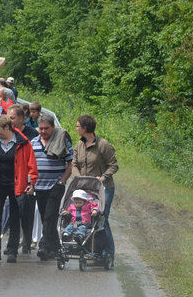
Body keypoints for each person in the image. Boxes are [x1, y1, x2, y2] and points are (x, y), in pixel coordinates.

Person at [0, 115, 37, 262]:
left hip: (17, 184)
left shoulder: (23, 143)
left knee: (14, 216)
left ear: (7, 127)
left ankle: (12, 251)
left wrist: (32, 183)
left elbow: (31, 165)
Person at [72, 114, 118, 259]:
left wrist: (103, 177)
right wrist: (78, 176)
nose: (76, 129)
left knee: (101, 217)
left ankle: (108, 252)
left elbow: (114, 165)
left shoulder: (103, 145)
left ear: (85, 128)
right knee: (87, 218)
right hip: (85, 189)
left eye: (78, 126)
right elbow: (74, 164)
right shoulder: (79, 145)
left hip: (104, 189)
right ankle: (92, 250)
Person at [32, 112, 73, 260]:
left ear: (53, 127)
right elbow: (30, 166)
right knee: (46, 218)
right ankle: (56, 248)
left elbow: (70, 164)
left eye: (46, 128)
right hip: (39, 186)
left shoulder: (61, 141)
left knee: (50, 216)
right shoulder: (33, 142)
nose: (43, 131)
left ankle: (43, 246)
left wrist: (61, 181)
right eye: (41, 128)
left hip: (55, 185)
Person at [9, 105, 39, 254]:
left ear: (21, 118)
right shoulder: (9, 133)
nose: (10, 121)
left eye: (13, 118)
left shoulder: (32, 133)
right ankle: (12, 244)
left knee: (27, 213)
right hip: (10, 179)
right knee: (12, 213)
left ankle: (27, 241)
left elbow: (33, 157)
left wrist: (31, 180)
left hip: (26, 178)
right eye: (9, 118)